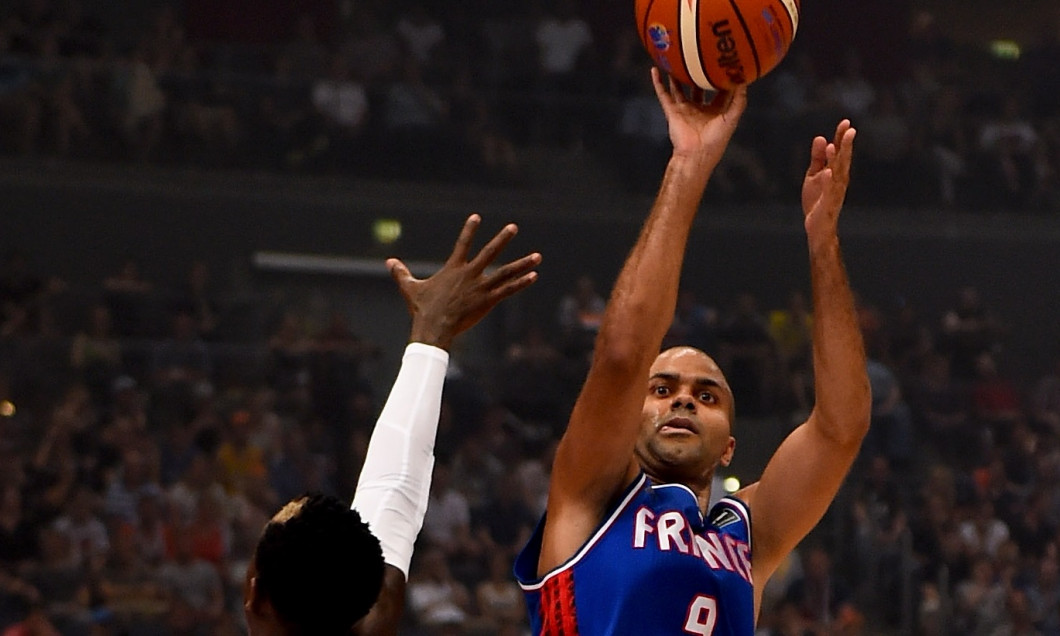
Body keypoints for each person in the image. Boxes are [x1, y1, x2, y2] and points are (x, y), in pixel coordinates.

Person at [513, 67, 870, 633]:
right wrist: (689, 163)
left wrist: (823, 241)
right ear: (631, 416)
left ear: (730, 446)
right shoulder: (593, 494)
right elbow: (623, 355)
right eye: (663, 390)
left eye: (706, 395)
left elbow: (841, 427)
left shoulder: (746, 532)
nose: (682, 400)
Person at [241, 215, 541, 635]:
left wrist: (430, 338)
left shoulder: (377, 614)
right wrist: (431, 336)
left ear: (255, 596)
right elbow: (392, 496)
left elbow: (392, 503)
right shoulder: (374, 618)